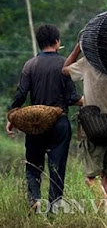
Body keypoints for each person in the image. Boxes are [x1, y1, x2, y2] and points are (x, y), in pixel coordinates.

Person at [6, 24, 82, 212]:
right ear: (57, 42)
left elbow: (21, 94)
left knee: (33, 164)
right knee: (57, 169)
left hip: (35, 124)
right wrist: (92, 101)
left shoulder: (30, 65)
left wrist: (13, 115)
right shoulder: (65, 64)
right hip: (59, 124)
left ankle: (34, 200)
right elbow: (72, 98)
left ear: (40, 43)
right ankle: (53, 210)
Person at [62, 43, 107, 209]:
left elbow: (64, 70)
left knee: (90, 177)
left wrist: (76, 50)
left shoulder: (87, 63)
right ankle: (105, 210)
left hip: (93, 128)